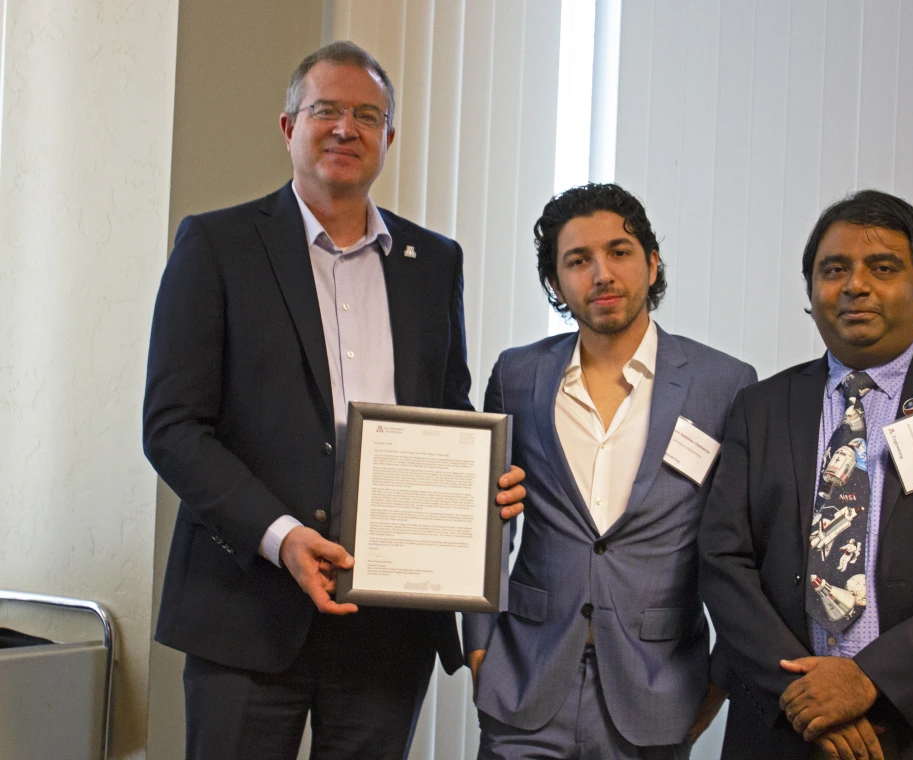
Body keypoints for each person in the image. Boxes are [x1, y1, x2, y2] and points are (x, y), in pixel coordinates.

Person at [143, 41, 524, 760]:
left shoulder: (433, 261)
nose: (346, 128)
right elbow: (173, 427)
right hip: (247, 606)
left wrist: (485, 482)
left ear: (388, 136)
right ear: (289, 127)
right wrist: (281, 536)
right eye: (326, 110)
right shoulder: (217, 244)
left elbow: (447, 409)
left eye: (367, 114)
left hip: (389, 624)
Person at [699, 189, 913, 760]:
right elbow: (722, 559)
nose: (856, 285)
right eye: (834, 270)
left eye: (883, 268)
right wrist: (805, 694)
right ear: (811, 295)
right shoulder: (760, 407)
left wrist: (868, 681)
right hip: (785, 723)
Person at [463, 183, 757, 759]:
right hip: (526, 680)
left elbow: (741, 548)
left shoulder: (723, 384)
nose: (601, 273)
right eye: (578, 260)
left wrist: (720, 679)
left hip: (657, 689)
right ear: (555, 282)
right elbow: (490, 516)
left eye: (619, 252)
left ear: (651, 262)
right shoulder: (518, 375)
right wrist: (479, 649)